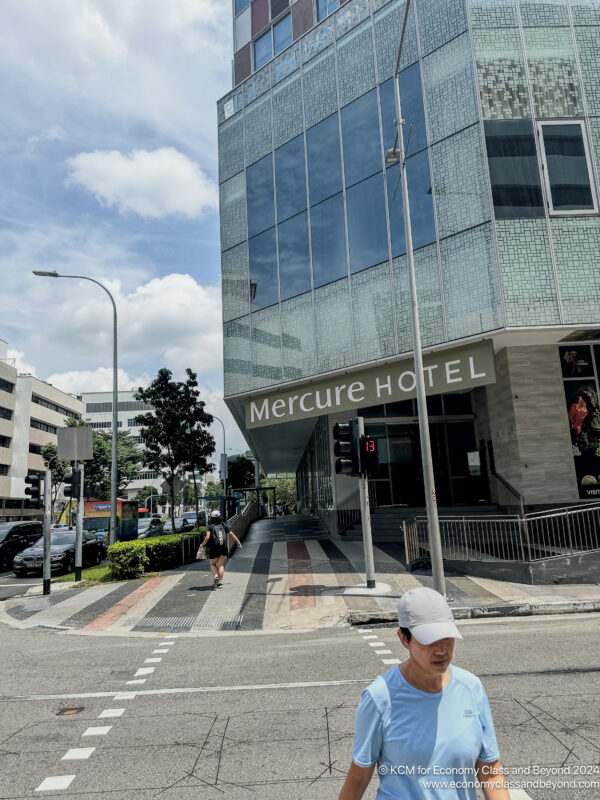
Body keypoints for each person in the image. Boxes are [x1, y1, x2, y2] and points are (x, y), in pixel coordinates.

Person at [339, 587, 510, 800]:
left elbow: (491, 772)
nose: (441, 650)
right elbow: (358, 778)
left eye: (447, 637)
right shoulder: (380, 697)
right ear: (404, 639)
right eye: (429, 640)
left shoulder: (471, 688)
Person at [200, 509, 242, 589]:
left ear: (211, 518)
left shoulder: (210, 527)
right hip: (223, 547)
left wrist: (202, 544)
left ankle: (216, 576)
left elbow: (207, 538)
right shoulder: (224, 525)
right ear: (220, 517)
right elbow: (231, 533)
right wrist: (238, 541)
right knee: (221, 565)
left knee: (212, 564)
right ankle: (219, 582)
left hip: (214, 547)